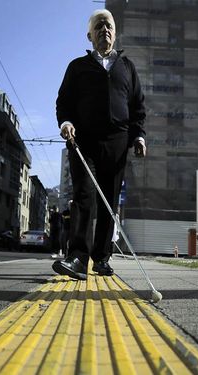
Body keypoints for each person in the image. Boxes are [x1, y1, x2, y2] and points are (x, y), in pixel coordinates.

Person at [52, 9, 146, 280]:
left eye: (110, 26)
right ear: (89, 35)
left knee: (109, 200)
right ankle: (78, 259)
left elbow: (138, 106)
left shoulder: (127, 67)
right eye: (100, 26)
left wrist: (138, 136)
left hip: (117, 142)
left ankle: (102, 258)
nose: (105, 29)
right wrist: (66, 122)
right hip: (83, 141)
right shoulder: (77, 66)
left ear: (115, 34)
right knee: (83, 196)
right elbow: (64, 102)